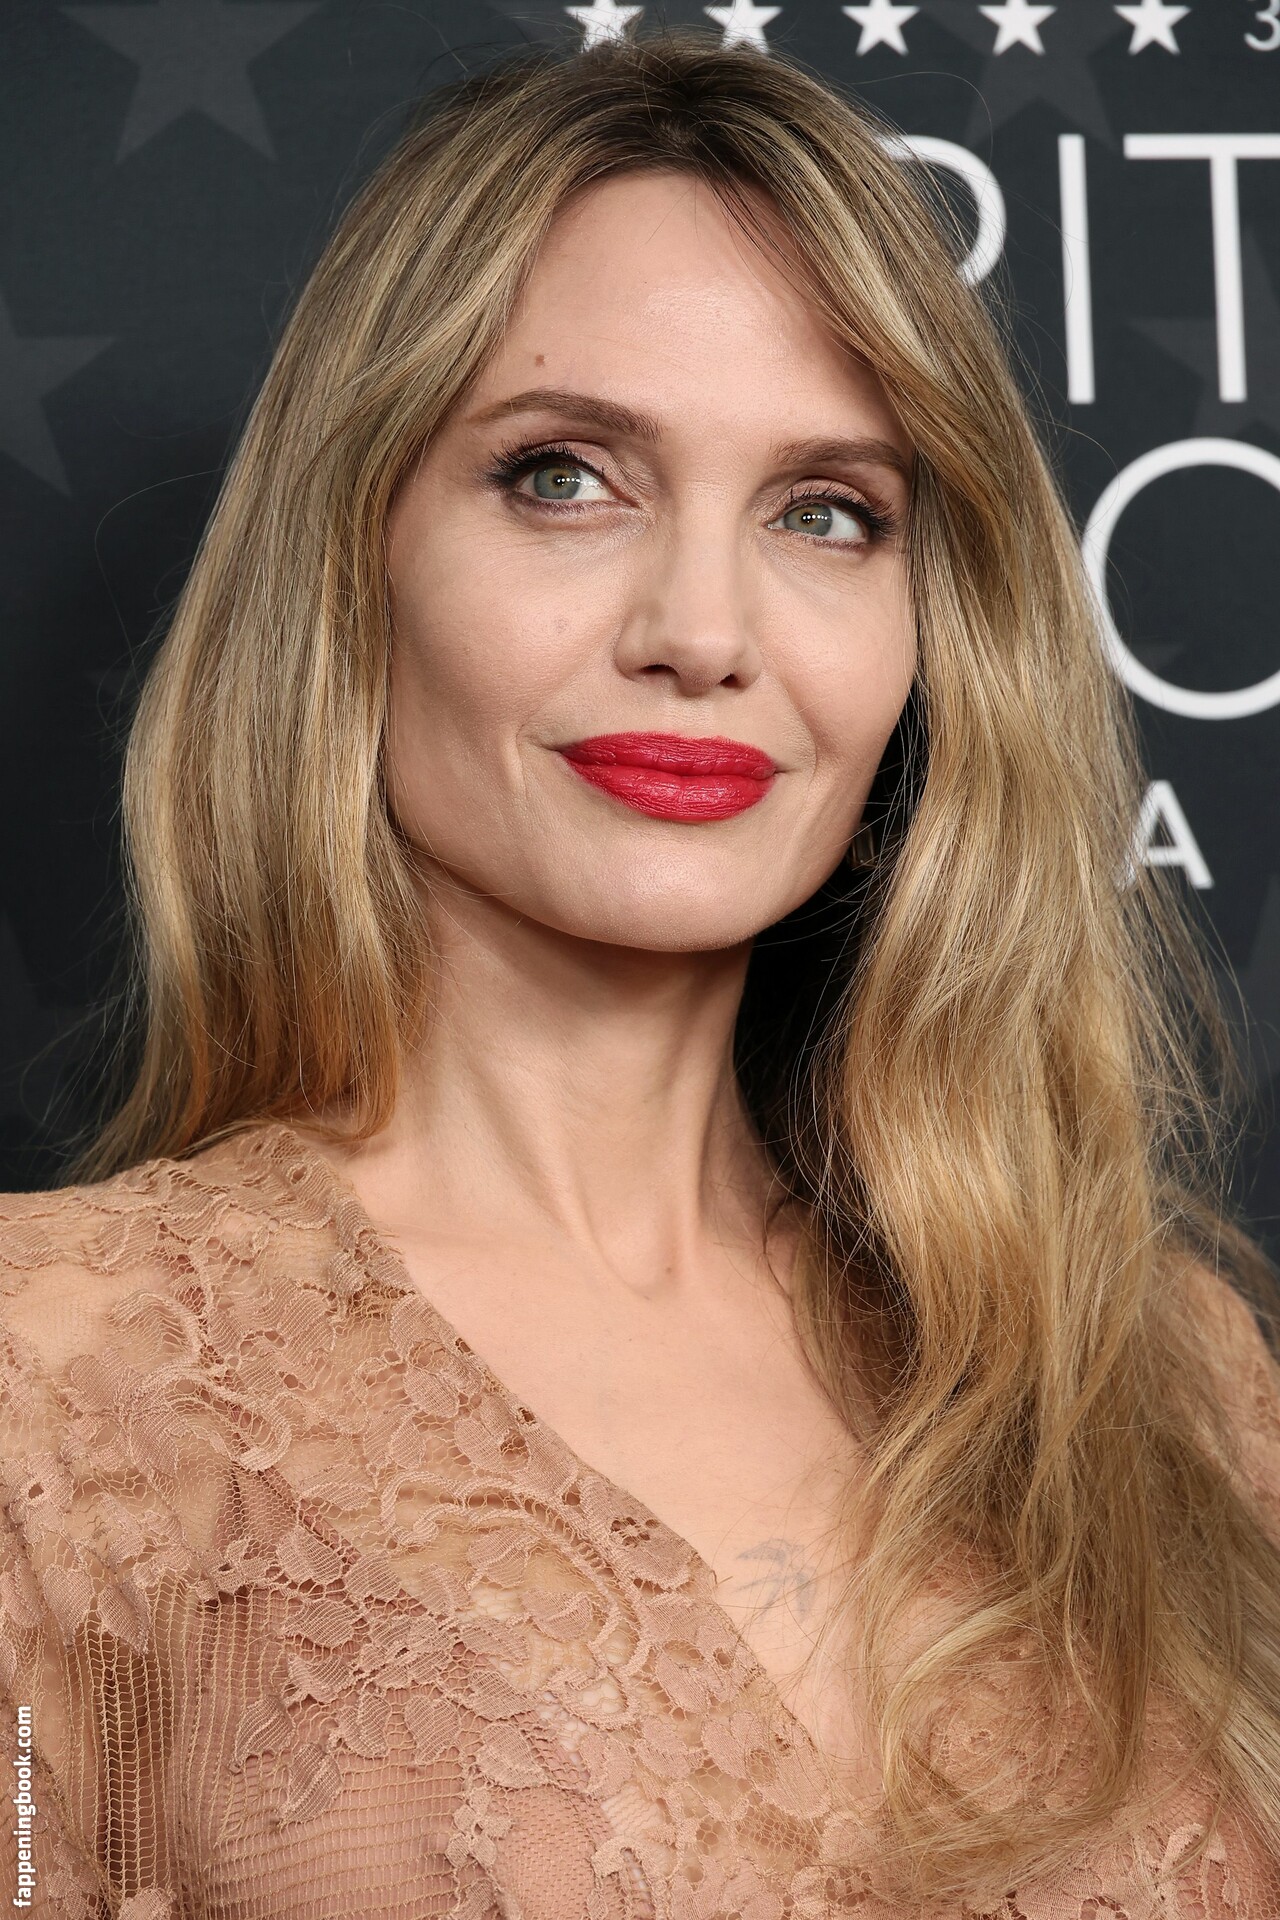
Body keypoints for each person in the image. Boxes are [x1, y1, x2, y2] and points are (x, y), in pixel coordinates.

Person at [2, 28, 1279, 1919]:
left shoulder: (1161, 1371)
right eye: (563, 477)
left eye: (827, 512)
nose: (702, 630)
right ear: (353, 558)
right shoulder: (58, 1388)